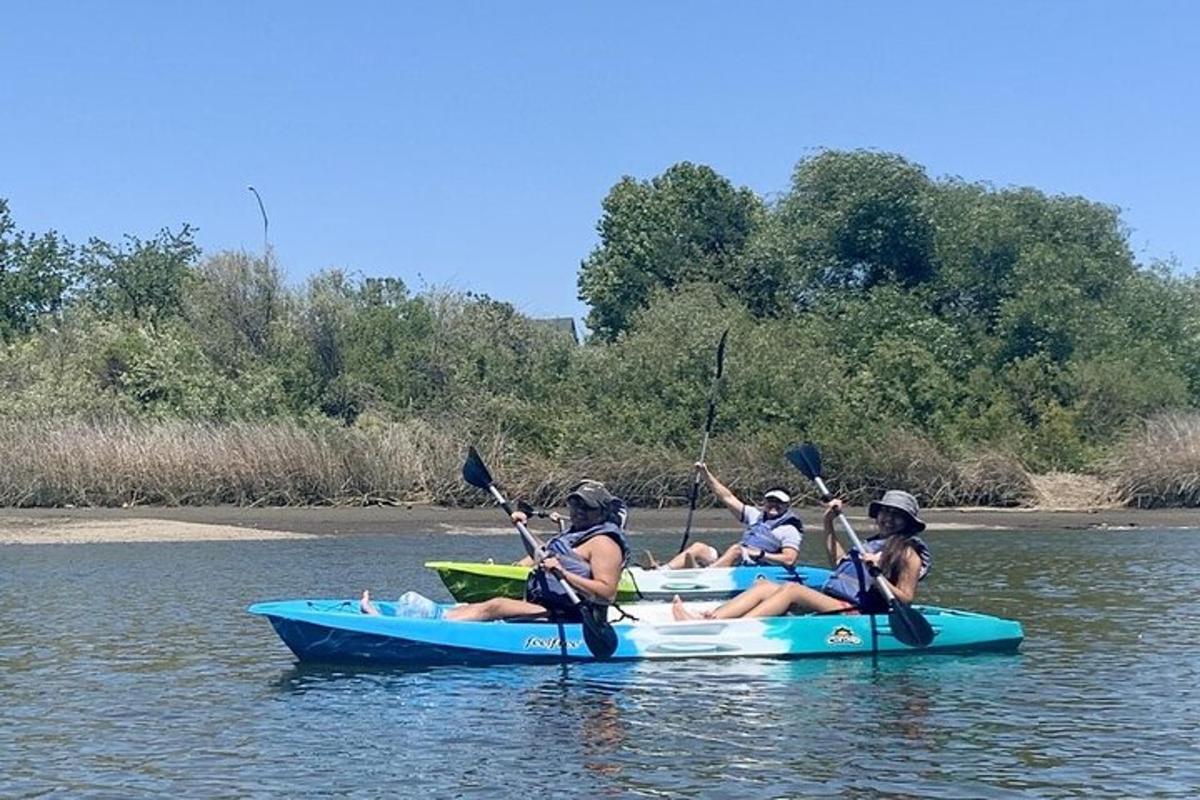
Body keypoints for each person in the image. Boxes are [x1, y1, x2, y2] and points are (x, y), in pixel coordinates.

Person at [362, 481, 629, 622]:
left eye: (587, 508)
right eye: (575, 505)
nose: (578, 512)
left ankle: (426, 625)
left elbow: (607, 593)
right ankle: (431, 616)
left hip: (576, 617)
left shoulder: (604, 543)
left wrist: (564, 574)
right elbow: (540, 553)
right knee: (480, 606)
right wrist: (521, 527)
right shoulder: (573, 534)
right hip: (549, 607)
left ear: (603, 512)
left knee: (497, 605)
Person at [672, 489, 931, 620]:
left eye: (896, 515)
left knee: (793, 590)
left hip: (858, 611)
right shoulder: (872, 543)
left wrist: (878, 574)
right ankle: (713, 618)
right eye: (886, 512)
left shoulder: (908, 553)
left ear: (907, 522)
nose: (888, 519)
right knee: (763, 585)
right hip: (836, 600)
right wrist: (828, 522)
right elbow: (839, 563)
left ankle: (734, 628)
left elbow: (905, 599)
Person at [649, 462, 803, 570]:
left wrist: (760, 554)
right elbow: (726, 497)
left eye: (779, 502)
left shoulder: (789, 529)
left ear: (787, 505)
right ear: (764, 501)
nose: (774, 505)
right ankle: (663, 571)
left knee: (737, 549)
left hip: (759, 566)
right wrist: (705, 474)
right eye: (771, 501)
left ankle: (705, 574)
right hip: (740, 562)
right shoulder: (755, 515)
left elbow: (789, 559)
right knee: (699, 547)